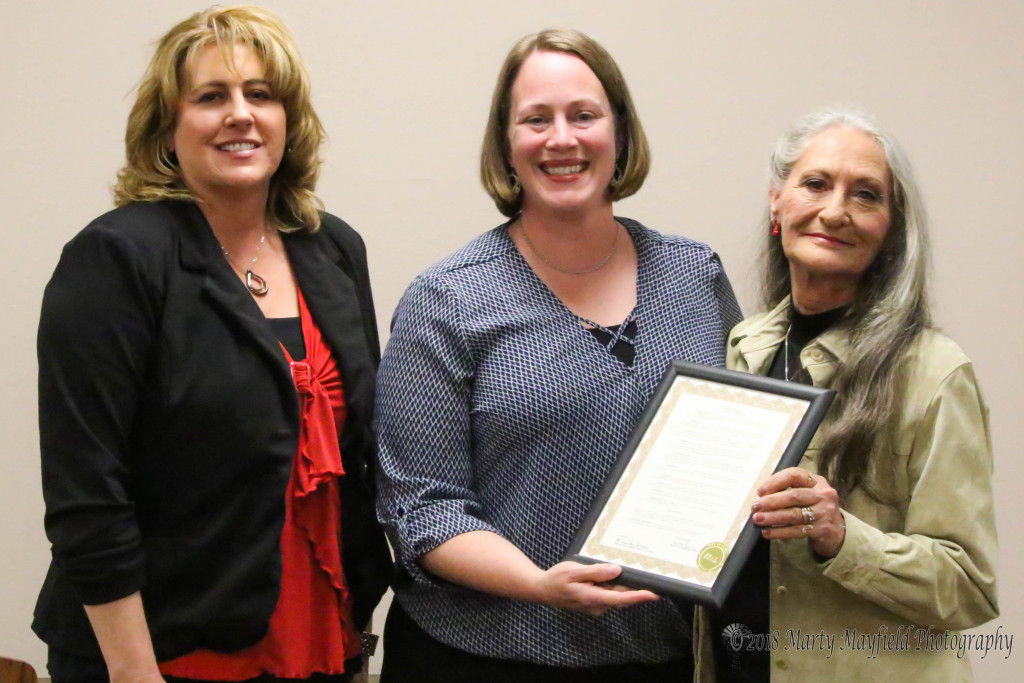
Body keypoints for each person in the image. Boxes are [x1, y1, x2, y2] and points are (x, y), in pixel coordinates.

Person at [33, 6, 391, 682]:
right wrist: (135, 674)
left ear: (289, 119)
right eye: (210, 97)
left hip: (321, 641)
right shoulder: (117, 259)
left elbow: (361, 455)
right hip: (160, 654)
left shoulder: (334, 249)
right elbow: (87, 494)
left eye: (261, 94)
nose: (241, 115)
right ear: (168, 127)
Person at [374, 28, 741, 683]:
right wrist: (540, 582)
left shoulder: (695, 276)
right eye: (535, 120)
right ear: (506, 146)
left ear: (621, 134)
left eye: (584, 115)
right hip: (479, 659)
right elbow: (423, 509)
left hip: (660, 657)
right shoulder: (447, 299)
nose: (562, 139)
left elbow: (737, 444)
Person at [695, 107, 999, 681]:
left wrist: (842, 539)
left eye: (865, 195)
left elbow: (969, 588)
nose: (835, 212)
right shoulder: (744, 347)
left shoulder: (935, 374)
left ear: (890, 230)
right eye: (815, 184)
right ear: (777, 204)